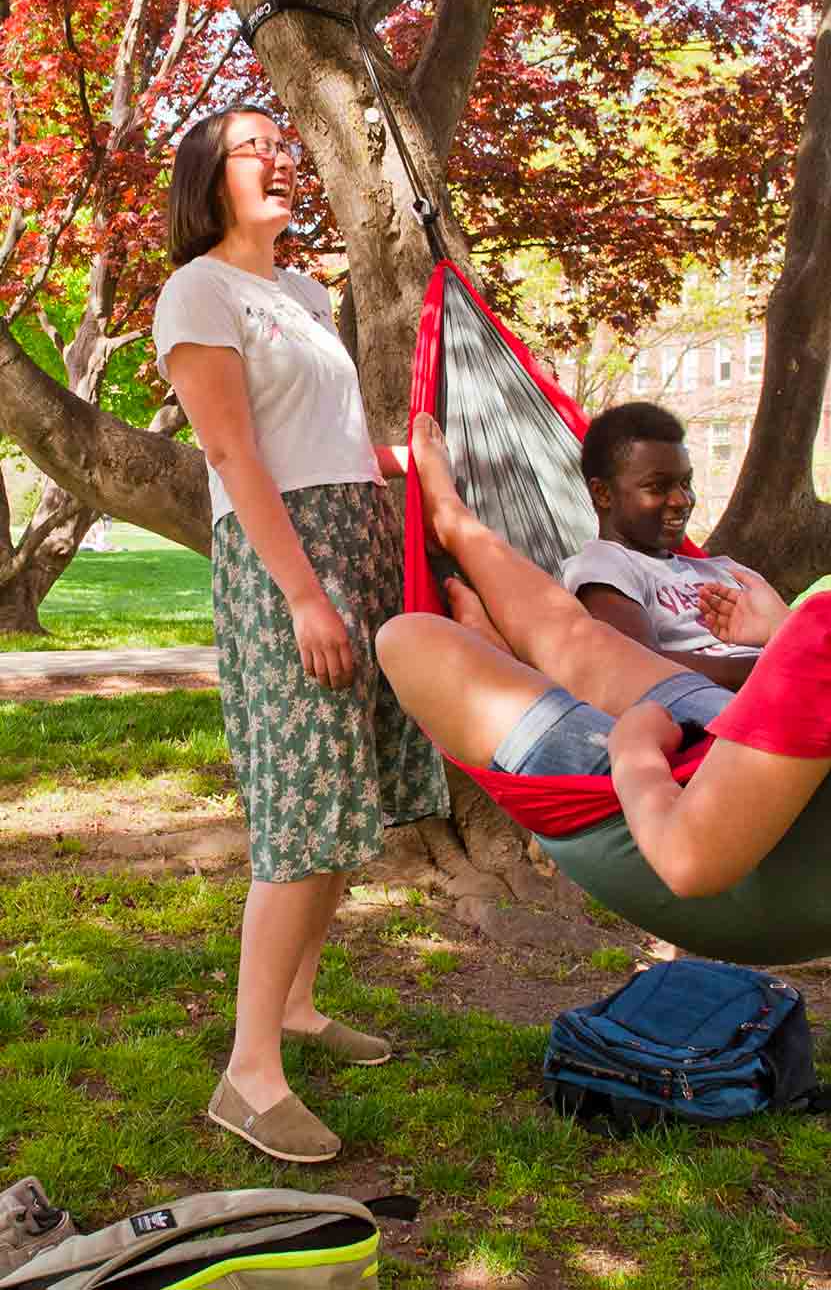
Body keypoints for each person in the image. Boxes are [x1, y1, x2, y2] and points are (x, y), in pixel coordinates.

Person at [378, 381, 831, 901]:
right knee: (576, 638)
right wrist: (780, 637)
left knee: (410, 638)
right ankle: (465, 542)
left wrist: (635, 752)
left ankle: (469, 568)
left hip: (686, 783)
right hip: (728, 734)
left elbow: (689, 861)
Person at [153, 103, 448, 1165]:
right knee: (300, 803)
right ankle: (248, 1072)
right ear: (207, 176)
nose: (278, 157)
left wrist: (400, 463)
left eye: (283, 144)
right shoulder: (199, 291)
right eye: (251, 148)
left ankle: (302, 1006)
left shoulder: (303, 292)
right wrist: (305, 597)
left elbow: (322, 439)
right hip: (288, 563)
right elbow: (235, 457)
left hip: (355, 541)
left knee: (345, 790)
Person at [560, 401, 788, 690]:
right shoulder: (604, 565)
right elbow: (639, 665)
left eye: (686, 482)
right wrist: (781, 666)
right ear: (603, 494)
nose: (682, 500)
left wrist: (785, 633)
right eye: (657, 487)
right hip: (730, 712)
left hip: (794, 690)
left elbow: (796, 638)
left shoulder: (723, 570)